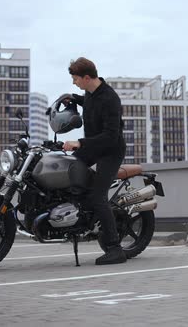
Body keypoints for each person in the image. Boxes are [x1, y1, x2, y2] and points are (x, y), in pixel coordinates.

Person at [62, 57, 127, 265]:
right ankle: (78, 217)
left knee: (98, 196)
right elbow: (89, 103)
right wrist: (72, 98)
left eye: (76, 79)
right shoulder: (90, 93)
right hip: (93, 146)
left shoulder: (110, 99)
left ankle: (115, 249)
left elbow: (110, 136)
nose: (74, 82)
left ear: (87, 77)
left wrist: (79, 143)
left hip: (110, 150)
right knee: (68, 170)